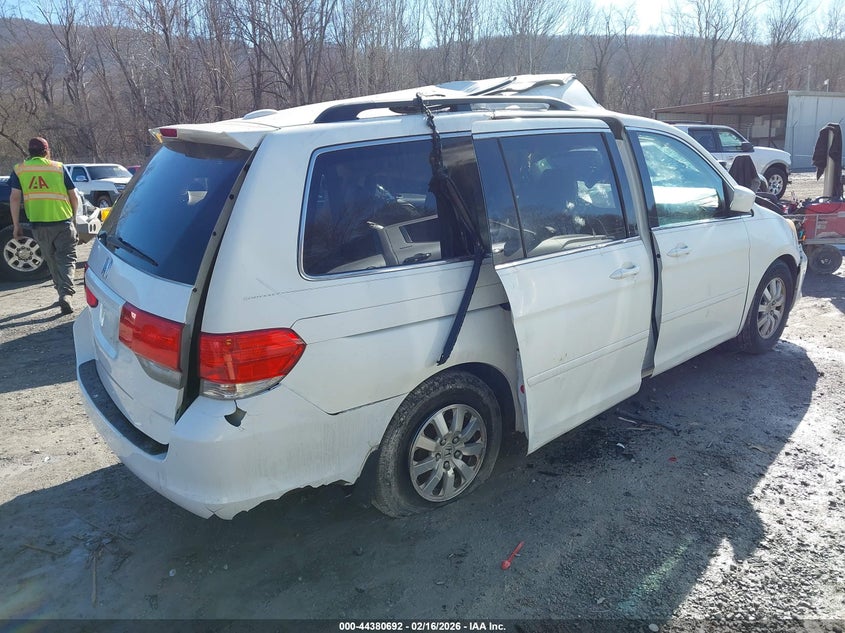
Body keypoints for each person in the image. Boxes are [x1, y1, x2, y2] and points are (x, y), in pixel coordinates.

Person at [9, 137, 79, 315]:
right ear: (47, 151)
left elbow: (15, 198)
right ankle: (66, 293)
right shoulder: (58, 167)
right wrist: (74, 218)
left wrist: (16, 225)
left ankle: (61, 292)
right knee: (67, 258)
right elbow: (74, 196)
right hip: (62, 220)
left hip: (39, 224)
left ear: (29, 152)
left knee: (51, 259)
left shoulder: (19, 170)